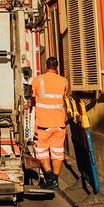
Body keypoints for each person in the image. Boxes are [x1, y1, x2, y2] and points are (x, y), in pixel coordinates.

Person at [31, 56, 67, 190]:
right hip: (59, 123)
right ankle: (55, 180)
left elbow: (32, 96)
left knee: (41, 149)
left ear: (46, 66)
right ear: (57, 67)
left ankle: (50, 177)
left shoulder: (38, 80)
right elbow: (63, 96)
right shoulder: (64, 81)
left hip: (44, 123)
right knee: (58, 151)